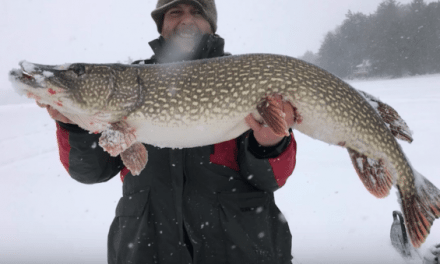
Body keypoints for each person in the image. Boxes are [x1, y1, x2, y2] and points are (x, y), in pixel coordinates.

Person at [41, 0, 297, 263]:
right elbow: (90, 171)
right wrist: (74, 124)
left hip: (240, 249)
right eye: (175, 12)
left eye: (197, 12)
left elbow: (269, 180)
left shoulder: (245, 79)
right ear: (161, 25)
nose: (186, 21)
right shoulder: (126, 85)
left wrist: (269, 144)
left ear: (211, 24)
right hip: (144, 249)